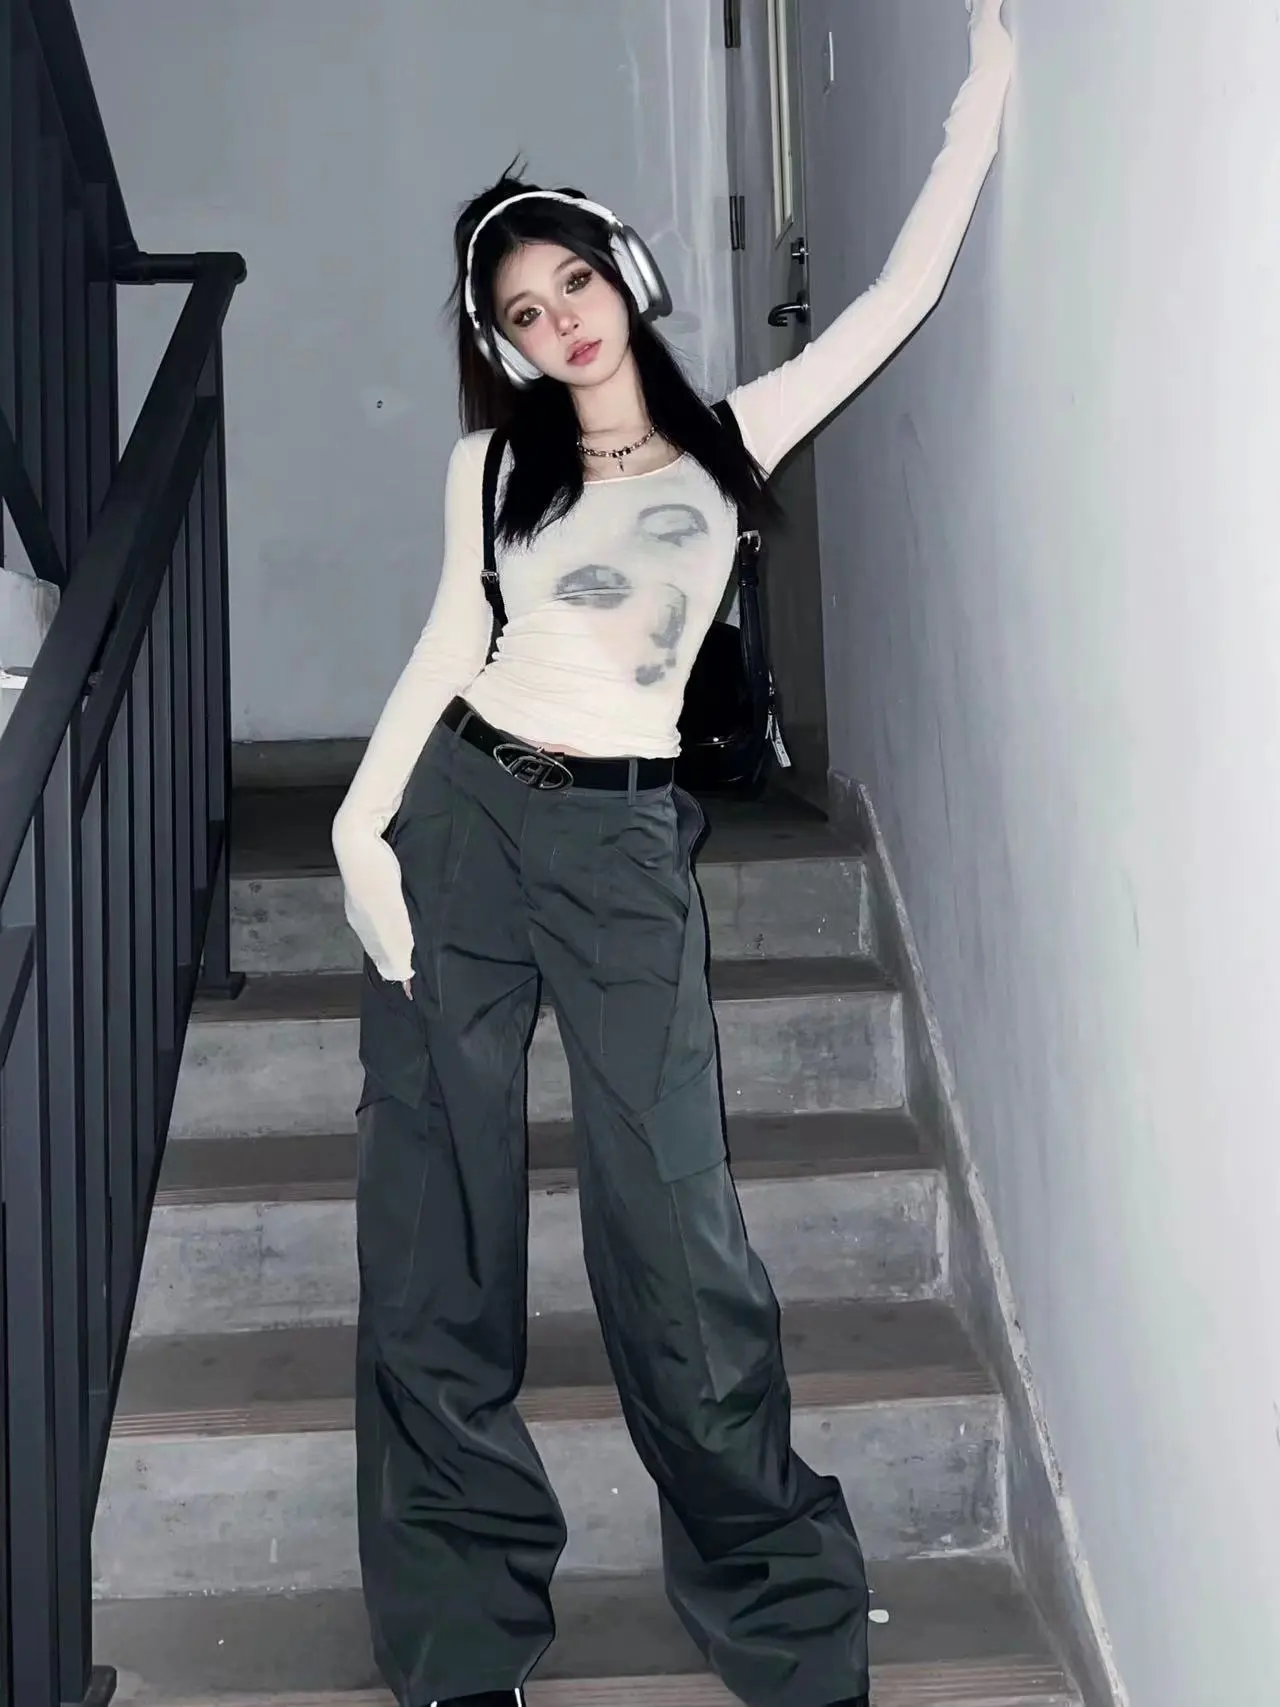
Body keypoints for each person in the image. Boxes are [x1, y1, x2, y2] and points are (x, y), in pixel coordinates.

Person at [331, 5, 1013, 1705]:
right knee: (436, 1219)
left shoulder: (735, 435)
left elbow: (897, 297)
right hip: (460, 816)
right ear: (501, 343)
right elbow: (449, 644)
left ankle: (779, 1611)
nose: (558, 320)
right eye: (522, 311)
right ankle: (459, 1630)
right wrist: (356, 823)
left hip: (624, 841)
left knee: (676, 1230)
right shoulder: (488, 467)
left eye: (572, 283)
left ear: (625, 273)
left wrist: (982, 98)